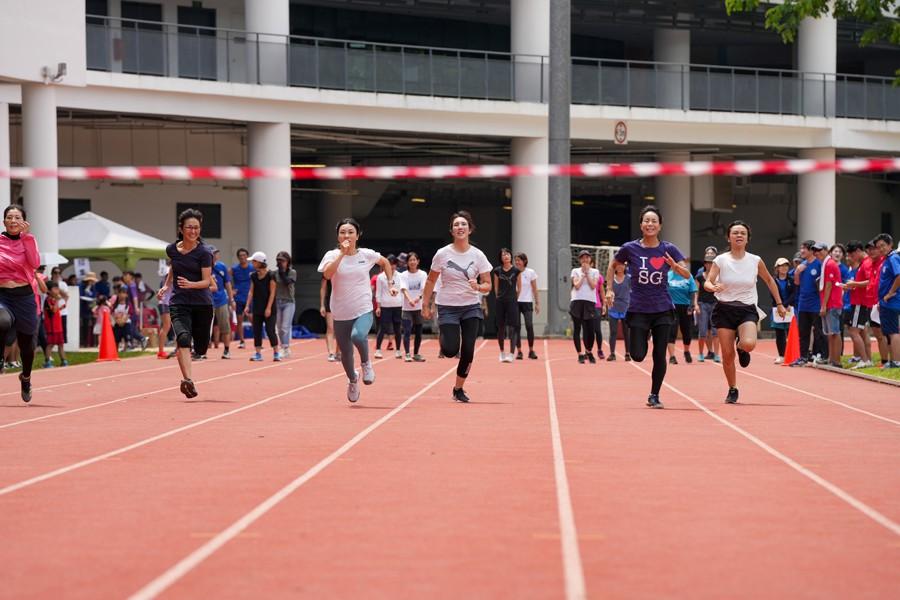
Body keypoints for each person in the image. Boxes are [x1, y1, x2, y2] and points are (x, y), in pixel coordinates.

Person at [605, 206, 691, 409]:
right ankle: (645, 334)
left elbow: (687, 274)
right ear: (641, 224)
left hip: (662, 308)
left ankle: (654, 394)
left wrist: (675, 267)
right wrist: (609, 289)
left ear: (660, 226)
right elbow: (612, 265)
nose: (650, 224)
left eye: (654, 221)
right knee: (637, 355)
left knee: (659, 354)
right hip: (638, 309)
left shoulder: (669, 249)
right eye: (646, 220)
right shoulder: (630, 248)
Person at [703, 221, 786, 403]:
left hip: (747, 308)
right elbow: (708, 281)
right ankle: (732, 388)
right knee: (727, 355)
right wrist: (713, 287)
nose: (739, 235)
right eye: (735, 233)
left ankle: (741, 348)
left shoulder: (755, 260)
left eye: (743, 233)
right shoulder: (721, 260)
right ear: (729, 237)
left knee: (749, 344)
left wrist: (779, 304)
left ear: (747, 238)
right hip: (724, 309)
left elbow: (769, 281)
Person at [319, 218, 397, 403]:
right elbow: (327, 275)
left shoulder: (366, 254)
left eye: (350, 232)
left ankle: (366, 363)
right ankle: (353, 380)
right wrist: (342, 254)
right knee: (346, 355)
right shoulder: (331, 255)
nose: (346, 235)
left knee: (358, 336)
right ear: (338, 236)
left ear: (358, 235)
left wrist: (390, 283)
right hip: (340, 311)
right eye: (342, 232)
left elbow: (385, 263)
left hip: (363, 308)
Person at [422, 211, 492, 403]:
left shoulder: (478, 255)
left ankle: (458, 388)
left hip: (471, 307)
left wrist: (479, 286)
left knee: (468, 350)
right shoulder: (442, 254)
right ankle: (445, 339)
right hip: (447, 306)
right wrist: (425, 304)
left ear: (470, 229)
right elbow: (431, 280)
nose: (460, 227)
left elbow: (488, 284)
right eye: (456, 225)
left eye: (463, 224)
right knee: (450, 350)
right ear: (451, 230)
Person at [158, 208, 214, 399]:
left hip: (202, 304)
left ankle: (198, 352)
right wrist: (167, 285)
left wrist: (191, 284)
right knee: (182, 338)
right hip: (179, 302)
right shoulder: (172, 249)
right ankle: (188, 380)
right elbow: (174, 267)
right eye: (189, 227)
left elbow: (206, 282)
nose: (193, 231)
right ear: (181, 229)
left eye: (196, 227)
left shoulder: (205, 253)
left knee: (201, 348)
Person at [0, 205, 41, 401]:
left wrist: (27, 238)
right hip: (2, 295)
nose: (13, 221)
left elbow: (34, 264)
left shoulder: (29, 240)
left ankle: (25, 377)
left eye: (17, 217)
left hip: (24, 296)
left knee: (27, 345)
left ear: (24, 221)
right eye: (9, 217)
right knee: (2, 321)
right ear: (4, 222)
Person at [791, 240, 825, 366]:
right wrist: (797, 272)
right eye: (801, 248)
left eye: (804, 248)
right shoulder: (802, 265)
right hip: (803, 303)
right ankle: (803, 357)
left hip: (816, 303)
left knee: (818, 331)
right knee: (803, 332)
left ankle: (819, 355)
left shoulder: (819, 264)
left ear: (811, 250)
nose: (802, 251)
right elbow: (797, 283)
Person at [244, 251, 279, 362]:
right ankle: (258, 353)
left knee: (270, 330)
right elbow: (251, 291)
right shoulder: (253, 276)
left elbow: (272, 293)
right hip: (257, 307)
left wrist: (268, 308)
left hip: (269, 308)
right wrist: (247, 305)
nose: (252, 263)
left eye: (253, 261)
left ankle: (276, 352)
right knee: (257, 330)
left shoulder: (271, 275)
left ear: (259, 262)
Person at [844, 241, 874, 368]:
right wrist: (853, 285)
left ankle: (865, 360)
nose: (850, 258)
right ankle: (868, 359)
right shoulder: (864, 263)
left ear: (857, 251)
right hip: (859, 301)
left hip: (860, 303)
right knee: (861, 332)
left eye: (852, 255)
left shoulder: (866, 263)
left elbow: (871, 281)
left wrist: (854, 284)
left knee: (853, 331)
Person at [816, 243, 844, 368]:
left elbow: (828, 286)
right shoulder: (826, 264)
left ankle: (836, 361)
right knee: (830, 333)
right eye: (815, 251)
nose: (817, 253)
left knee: (835, 333)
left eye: (820, 250)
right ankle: (831, 359)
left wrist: (823, 305)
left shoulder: (830, 264)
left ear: (827, 251)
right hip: (830, 303)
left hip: (832, 303)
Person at [569, 250, 599, 364]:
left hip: (589, 302)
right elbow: (576, 286)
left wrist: (587, 274)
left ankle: (588, 351)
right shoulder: (575, 271)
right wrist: (583, 275)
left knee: (590, 330)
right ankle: (580, 354)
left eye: (587, 257)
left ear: (590, 259)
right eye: (582, 258)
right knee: (577, 328)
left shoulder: (595, 271)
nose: (585, 260)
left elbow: (593, 286)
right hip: (577, 301)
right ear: (580, 260)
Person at [666, 263, 699, 364]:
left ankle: (686, 351)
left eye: (683, 267)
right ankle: (672, 356)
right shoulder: (668, 275)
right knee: (671, 331)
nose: (681, 268)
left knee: (687, 332)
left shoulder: (688, 275)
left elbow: (693, 292)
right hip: (672, 307)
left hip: (686, 307)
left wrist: (692, 306)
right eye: (678, 266)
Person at [875, 233, 900, 368]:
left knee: (893, 332)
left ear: (890, 245)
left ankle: (896, 361)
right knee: (889, 332)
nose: (881, 249)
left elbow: (899, 276)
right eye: (878, 247)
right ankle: (892, 361)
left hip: (892, 301)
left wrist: (890, 293)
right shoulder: (887, 259)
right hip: (886, 302)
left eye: (883, 245)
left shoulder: (893, 258)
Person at [493, 248, 520, 363]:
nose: (506, 256)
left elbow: (519, 287)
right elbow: (496, 287)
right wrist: (499, 297)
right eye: (503, 255)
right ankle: (502, 352)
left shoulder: (516, 271)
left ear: (510, 256)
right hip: (500, 301)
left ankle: (511, 354)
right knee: (501, 328)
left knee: (513, 328)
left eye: (508, 254)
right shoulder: (497, 271)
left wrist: (514, 298)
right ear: (501, 258)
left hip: (512, 301)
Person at [399, 251, 427, 362]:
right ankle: (407, 354)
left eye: (414, 260)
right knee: (407, 331)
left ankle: (416, 353)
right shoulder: (403, 275)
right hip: (407, 308)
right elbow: (404, 289)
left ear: (418, 261)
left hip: (419, 307)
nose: (412, 262)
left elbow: (424, 289)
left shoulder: (423, 274)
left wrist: (417, 299)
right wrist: (410, 299)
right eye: (410, 260)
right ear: (407, 262)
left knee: (418, 332)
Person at [694, 247, 721, 363]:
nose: (709, 265)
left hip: (715, 304)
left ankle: (716, 354)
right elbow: (696, 291)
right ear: (704, 264)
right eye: (707, 263)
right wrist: (695, 304)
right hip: (702, 304)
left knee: (715, 331)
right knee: (703, 331)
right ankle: (700, 353)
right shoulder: (699, 276)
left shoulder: (718, 276)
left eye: (711, 262)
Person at [374, 255, 403, 359]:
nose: (392, 266)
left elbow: (403, 290)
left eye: (394, 264)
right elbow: (378, 292)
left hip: (397, 305)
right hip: (385, 305)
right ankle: (378, 350)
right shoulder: (381, 277)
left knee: (397, 328)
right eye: (390, 264)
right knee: (382, 328)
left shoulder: (400, 276)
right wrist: (378, 307)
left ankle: (398, 350)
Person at [513, 252, 539, 360]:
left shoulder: (530, 272)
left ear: (524, 261)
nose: (517, 262)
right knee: (517, 327)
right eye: (516, 260)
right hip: (515, 302)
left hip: (527, 302)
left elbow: (535, 289)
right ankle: (519, 351)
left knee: (529, 325)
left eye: (519, 260)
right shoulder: (512, 272)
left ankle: (531, 350)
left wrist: (537, 303)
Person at [770, 257, 796, 364]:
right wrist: (780, 305)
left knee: (791, 333)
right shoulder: (773, 280)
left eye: (786, 265)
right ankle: (781, 355)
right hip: (777, 309)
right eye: (781, 266)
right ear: (777, 268)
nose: (784, 268)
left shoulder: (792, 279)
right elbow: (772, 294)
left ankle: (792, 355)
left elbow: (794, 293)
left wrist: (787, 304)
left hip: (789, 308)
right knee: (779, 333)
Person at [210, 248, 235, 359]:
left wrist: (231, 300)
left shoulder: (222, 266)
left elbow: (228, 284)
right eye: (213, 254)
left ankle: (226, 350)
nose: (215, 255)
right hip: (207, 301)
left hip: (221, 300)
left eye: (216, 253)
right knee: (205, 327)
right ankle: (202, 351)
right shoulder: (203, 267)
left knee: (225, 325)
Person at [606, 261, 631, 361]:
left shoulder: (629, 278)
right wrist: (608, 297)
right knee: (613, 332)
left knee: (626, 332)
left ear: (625, 266)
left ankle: (628, 353)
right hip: (613, 308)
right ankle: (612, 354)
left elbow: (634, 292)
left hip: (626, 308)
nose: (620, 267)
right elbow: (608, 291)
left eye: (622, 265)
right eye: (617, 265)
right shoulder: (611, 279)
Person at [274, 251, 297, 359]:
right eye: (279, 261)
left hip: (288, 302)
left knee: (285, 327)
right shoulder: (274, 274)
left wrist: (282, 272)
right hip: (277, 301)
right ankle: (283, 346)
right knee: (279, 327)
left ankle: (285, 347)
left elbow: (287, 282)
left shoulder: (292, 272)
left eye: (283, 261)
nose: (281, 263)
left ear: (288, 261)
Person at [231, 248, 253, 349]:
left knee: (253, 319)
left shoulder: (252, 268)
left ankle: (258, 340)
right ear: (238, 257)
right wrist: (231, 290)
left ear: (247, 256)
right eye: (240, 255)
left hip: (250, 297)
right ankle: (242, 340)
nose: (242, 257)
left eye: (244, 255)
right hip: (239, 298)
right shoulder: (234, 269)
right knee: (239, 320)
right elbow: (226, 280)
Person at [319, 277, 339, 362]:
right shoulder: (328, 272)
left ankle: (338, 352)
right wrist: (322, 305)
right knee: (330, 327)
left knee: (341, 329)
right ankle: (331, 352)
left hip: (342, 302)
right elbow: (323, 288)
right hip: (330, 302)